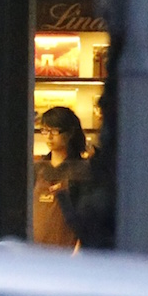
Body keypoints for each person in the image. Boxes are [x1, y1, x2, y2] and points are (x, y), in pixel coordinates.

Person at [33, 106, 93, 250]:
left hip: (66, 254)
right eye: (45, 130)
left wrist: (79, 248)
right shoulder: (37, 169)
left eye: (54, 131)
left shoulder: (81, 171)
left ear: (70, 133)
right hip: (35, 253)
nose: (49, 136)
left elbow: (88, 218)